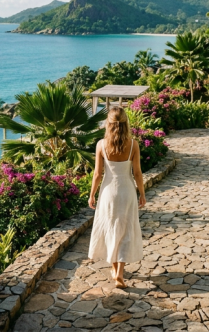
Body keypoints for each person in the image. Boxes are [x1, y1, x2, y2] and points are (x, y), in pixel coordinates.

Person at [88, 107, 146, 289]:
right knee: (126, 230)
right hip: (127, 191)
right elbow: (137, 173)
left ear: (108, 123)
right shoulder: (133, 144)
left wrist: (92, 194)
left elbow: (98, 174)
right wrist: (142, 193)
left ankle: (115, 270)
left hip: (108, 192)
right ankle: (119, 271)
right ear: (125, 123)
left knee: (111, 228)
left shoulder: (101, 145)